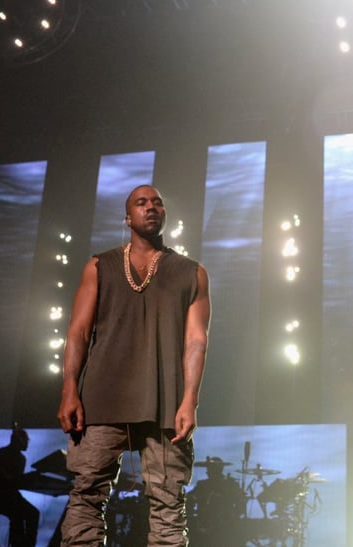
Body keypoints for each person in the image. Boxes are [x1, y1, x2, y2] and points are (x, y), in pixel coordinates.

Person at [57, 184, 211, 546]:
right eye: (141, 202)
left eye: (157, 201)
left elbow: (196, 341)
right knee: (87, 495)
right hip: (101, 398)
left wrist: (190, 399)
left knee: (168, 504)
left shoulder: (192, 272)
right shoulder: (100, 266)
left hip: (164, 402)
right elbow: (78, 331)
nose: (151, 206)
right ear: (128, 217)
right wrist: (69, 389)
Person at [0, 424, 40, 547]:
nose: (27, 443)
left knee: (28, 513)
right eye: (26, 440)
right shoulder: (1, 454)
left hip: (11, 496)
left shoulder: (18, 458)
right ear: (19, 440)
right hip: (0, 497)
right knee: (26, 514)